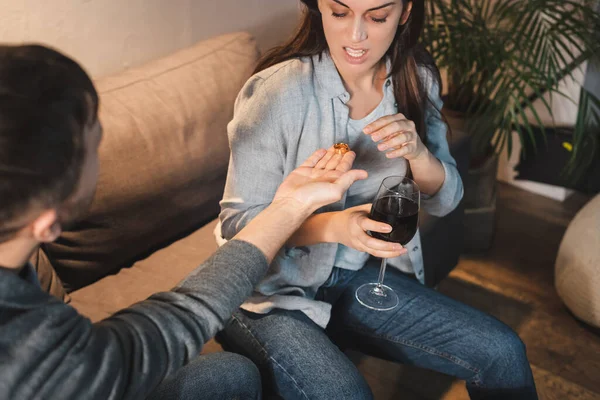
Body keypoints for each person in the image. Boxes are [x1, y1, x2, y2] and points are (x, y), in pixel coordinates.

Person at [0, 44, 367, 400]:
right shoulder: (42, 355)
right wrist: (288, 208)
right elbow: (174, 322)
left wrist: (291, 204)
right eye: (94, 146)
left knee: (229, 374)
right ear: (46, 225)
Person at [217, 1, 539, 399]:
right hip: (266, 294)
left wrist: (419, 154)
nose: (355, 36)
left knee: (502, 352)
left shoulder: (415, 79)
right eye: (339, 13)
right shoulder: (277, 92)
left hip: (355, 276)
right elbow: (237, 228)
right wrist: (336, 226)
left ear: (403, 13)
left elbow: (446, 200)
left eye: (377, 16)